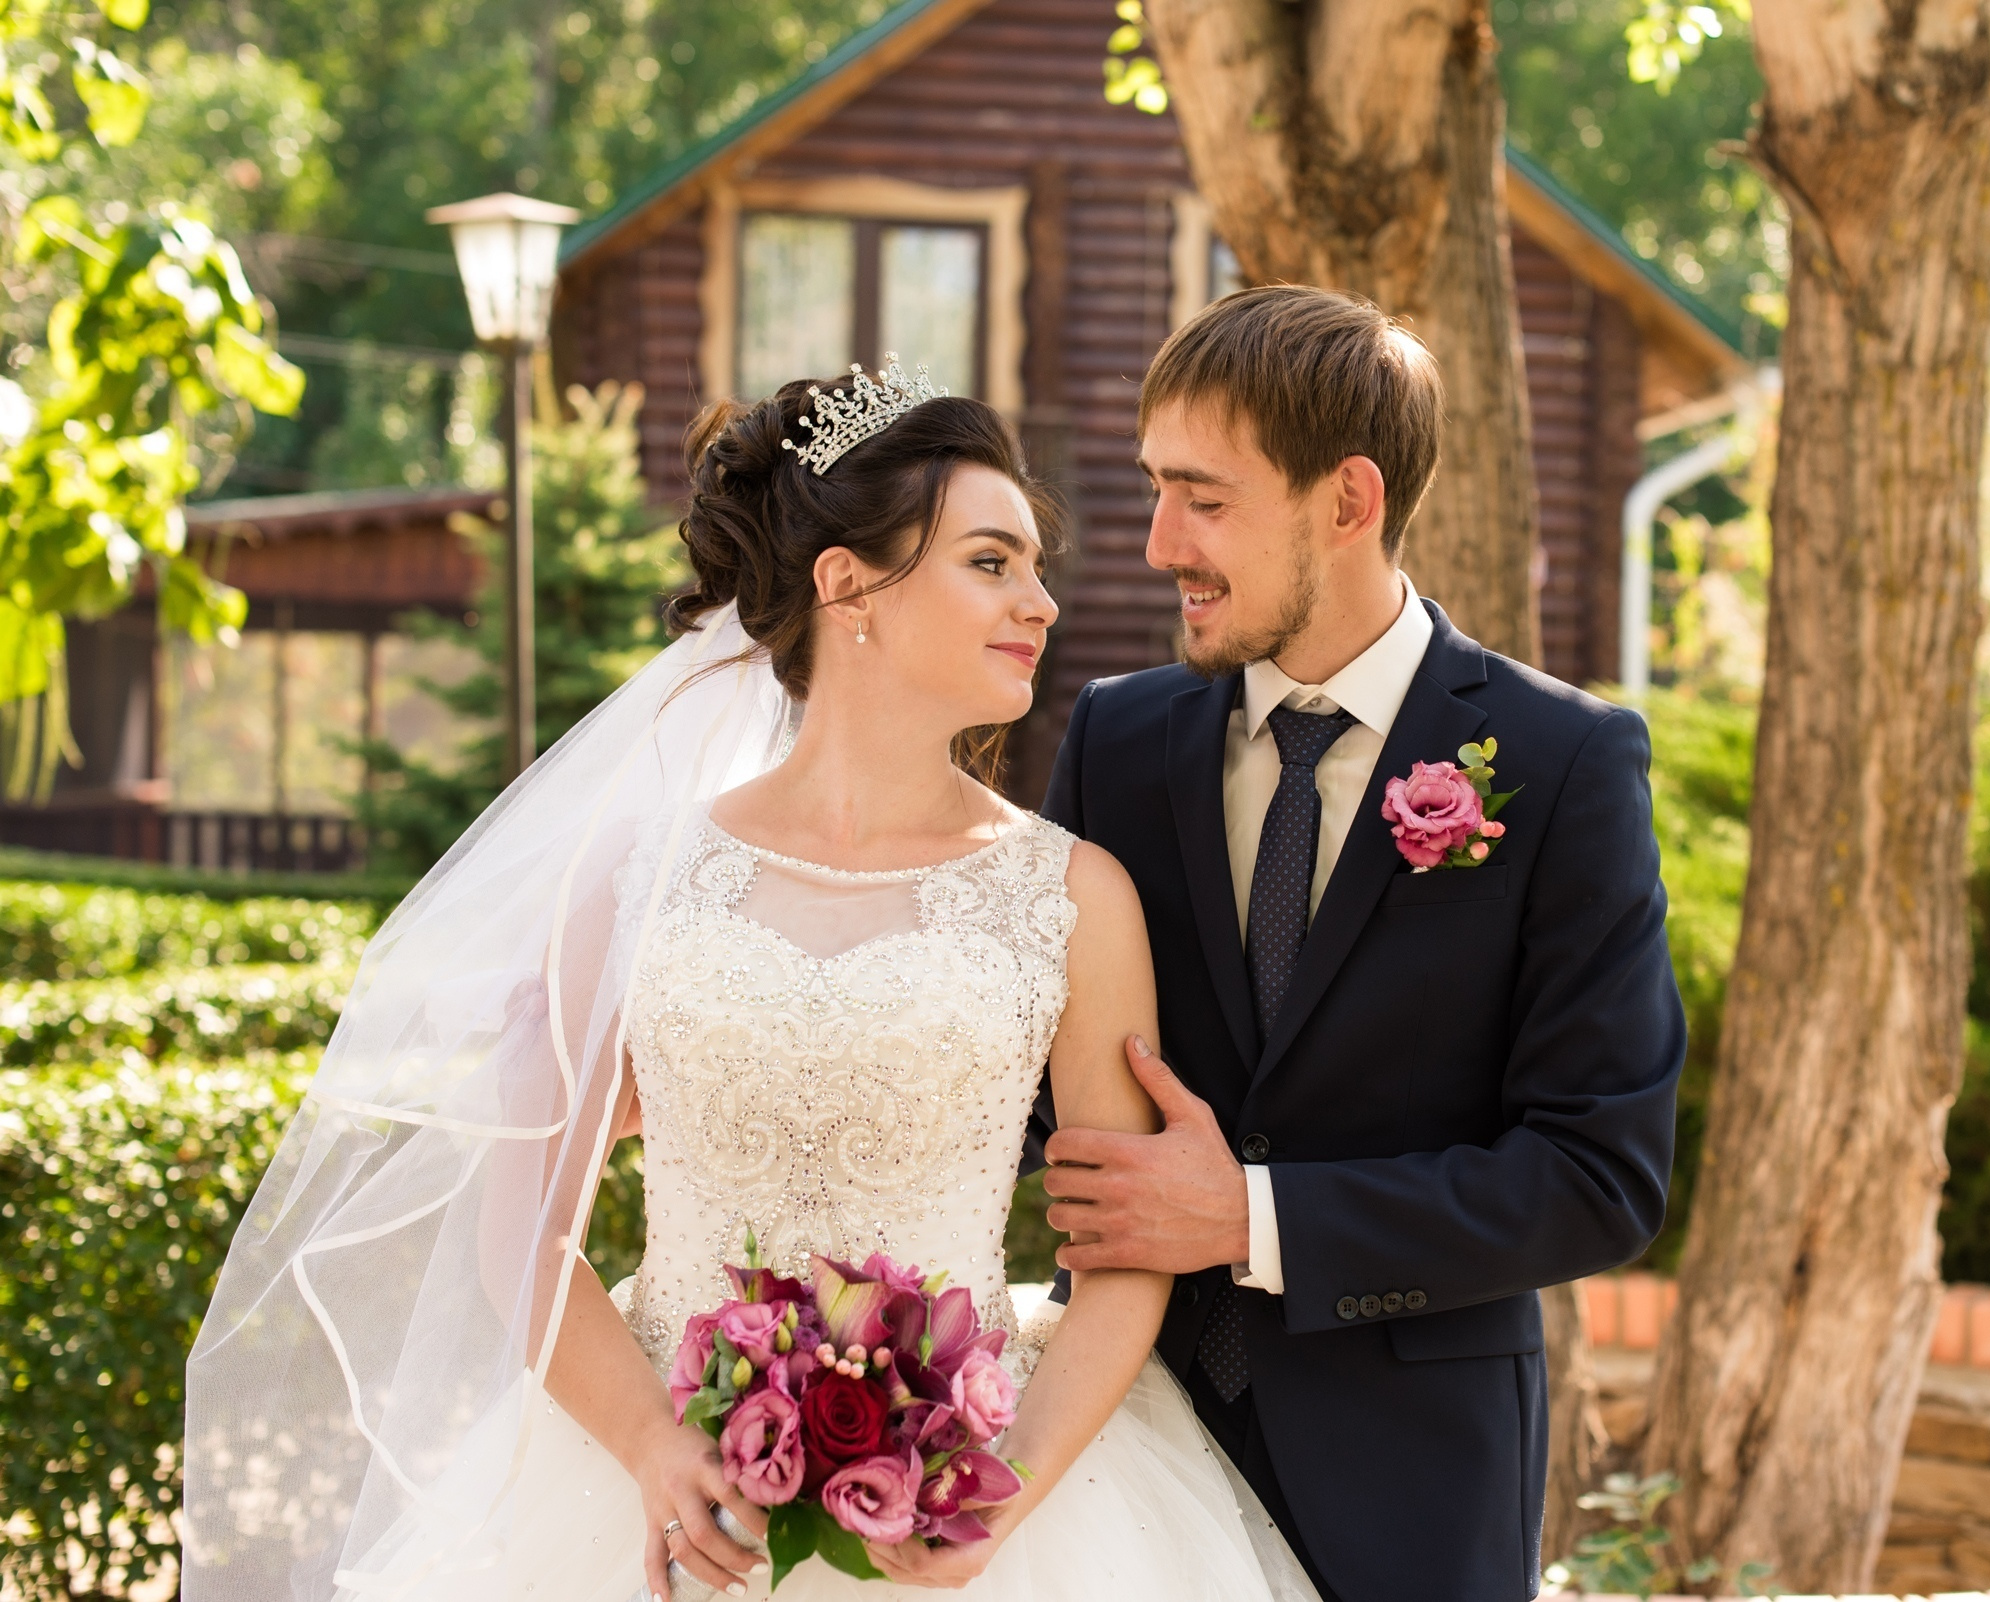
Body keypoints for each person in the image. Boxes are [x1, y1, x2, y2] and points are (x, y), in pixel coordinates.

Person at [182, 362, 1316, 1602]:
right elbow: (518, 1219)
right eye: (993, 563)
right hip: (649, 1503)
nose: (1042, 603)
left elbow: (1123, 1251)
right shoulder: (638, 877)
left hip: (990, 1497)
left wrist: (1005, 1496)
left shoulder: (1075, 897)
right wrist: (653, 1452)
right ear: (848, 588)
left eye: (1037, 567)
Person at [1035, 286, 1686, 1602]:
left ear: (1347, 501)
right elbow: (1000, 1067)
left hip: (1413, 1488)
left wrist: (1252, 1215)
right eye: (1155, 487)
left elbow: (1598, 1170)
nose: (1160, 541)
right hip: (1116, 1464)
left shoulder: (1563, 763)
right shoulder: (1115, 741)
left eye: (1204, 498)